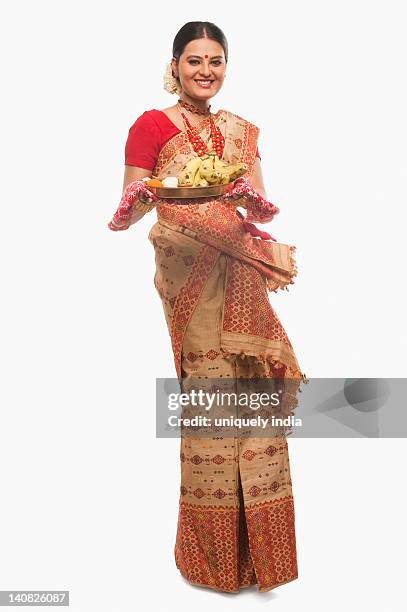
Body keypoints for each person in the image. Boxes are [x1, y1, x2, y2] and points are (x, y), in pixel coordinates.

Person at [108, 21, 307, 594]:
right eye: (194, 60)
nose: (205, 71)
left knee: (256, 408)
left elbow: (264, 213)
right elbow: (122, 219)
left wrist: (249, 198)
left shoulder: (241, 131)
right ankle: (211, 561)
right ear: (174, 65)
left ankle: (262, 562)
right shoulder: (150, 126)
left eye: (215, 61)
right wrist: (139, 196)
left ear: (225, 66)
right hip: (188, 282)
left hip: (240, 273)